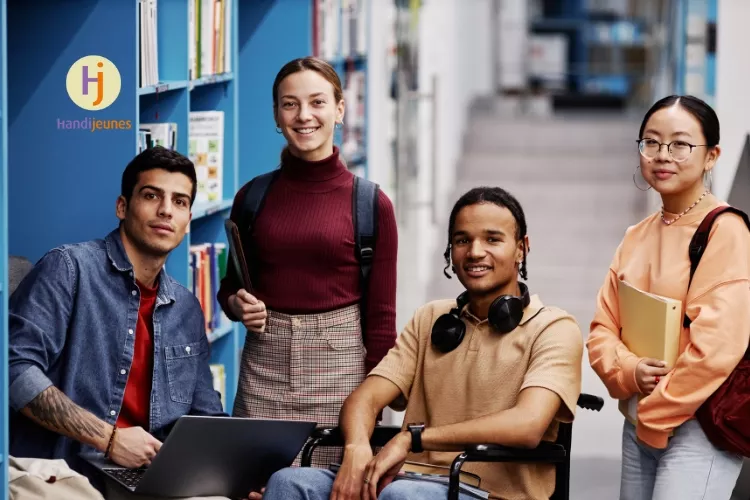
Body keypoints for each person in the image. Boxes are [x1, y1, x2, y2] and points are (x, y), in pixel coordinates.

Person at [260, 186, 584, 500]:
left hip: (490, 493)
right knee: (289, 483)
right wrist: (357, 449)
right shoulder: (431, 319)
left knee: (403, 495)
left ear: (521, 248)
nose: (474, 252)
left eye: (492, 239)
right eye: (462, 240)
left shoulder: (553, 327)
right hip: (404, 482)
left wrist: (412, 439)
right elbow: (365, 399)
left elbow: (527, 425)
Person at [8, 146, 228, 499]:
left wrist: (235, 470)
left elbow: (206, 417)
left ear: (188, 222)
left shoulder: (185, 307)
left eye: (180, 201)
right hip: (65, 472)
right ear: (122, 207)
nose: (165, 210)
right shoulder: (69, 269)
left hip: (149, 478)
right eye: (151, 195)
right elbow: (14, 369)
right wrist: (108, 438)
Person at [217, 57, 398, 468]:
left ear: (339, 109)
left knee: (330, 488)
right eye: (289, 104)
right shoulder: (251, 197)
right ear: (276, 115)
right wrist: (237, 305)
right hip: (263, 367)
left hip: (341, 374)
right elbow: (229, 288)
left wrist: (373, 409)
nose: (304, 116)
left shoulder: (371, 204)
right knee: (254, 487)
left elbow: (382, 318)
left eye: (317, 102)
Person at [587, 95, 750, 500]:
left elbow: (716, 350)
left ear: (711, 156)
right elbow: (602, 330)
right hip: (639, 421)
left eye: (680, 144)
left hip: (699, 426)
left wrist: (654, 413)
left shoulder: (725, 231)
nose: (663, 155)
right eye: (652, 142)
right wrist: (631, 370)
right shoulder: (636, 235)